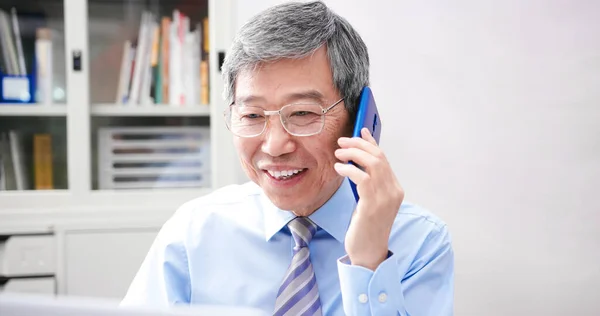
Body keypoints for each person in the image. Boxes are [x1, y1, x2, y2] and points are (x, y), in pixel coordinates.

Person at [121, 1, 454, 315]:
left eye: (303, 113)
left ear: (358, 120)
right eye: (252, 116)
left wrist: (368, 263)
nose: (275, 145)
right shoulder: (192, 234)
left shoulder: (419, 243)